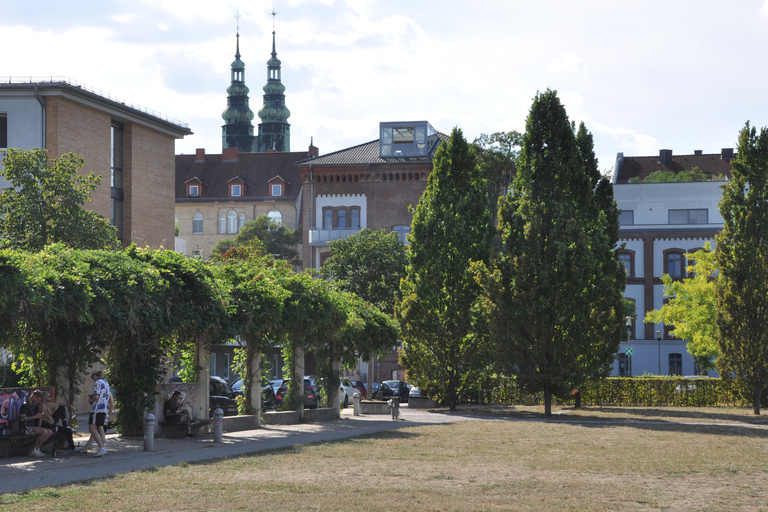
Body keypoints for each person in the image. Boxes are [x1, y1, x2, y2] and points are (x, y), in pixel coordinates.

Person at [77, 370, 111, 457]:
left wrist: (90, 401)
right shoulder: (106, 383)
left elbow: (96, 396)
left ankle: (101, 448)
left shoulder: (97, 383)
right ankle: (102, 448)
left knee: (92, 429)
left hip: (97, 409)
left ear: (96, 376)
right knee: (100, 428)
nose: (92, 379)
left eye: (92, 376)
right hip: (103, 409)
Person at [19, 390, 53, 457]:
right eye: (38, 399)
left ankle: (36, 448)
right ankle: (32, 449)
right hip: (25, 428)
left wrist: (39, 416)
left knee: (50, 432)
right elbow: (22, 418)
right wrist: (35, 417)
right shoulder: (26, 405)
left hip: (31, 427)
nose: (38, 401)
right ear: (34, 396)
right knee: (44, 432)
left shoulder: (32, 405)